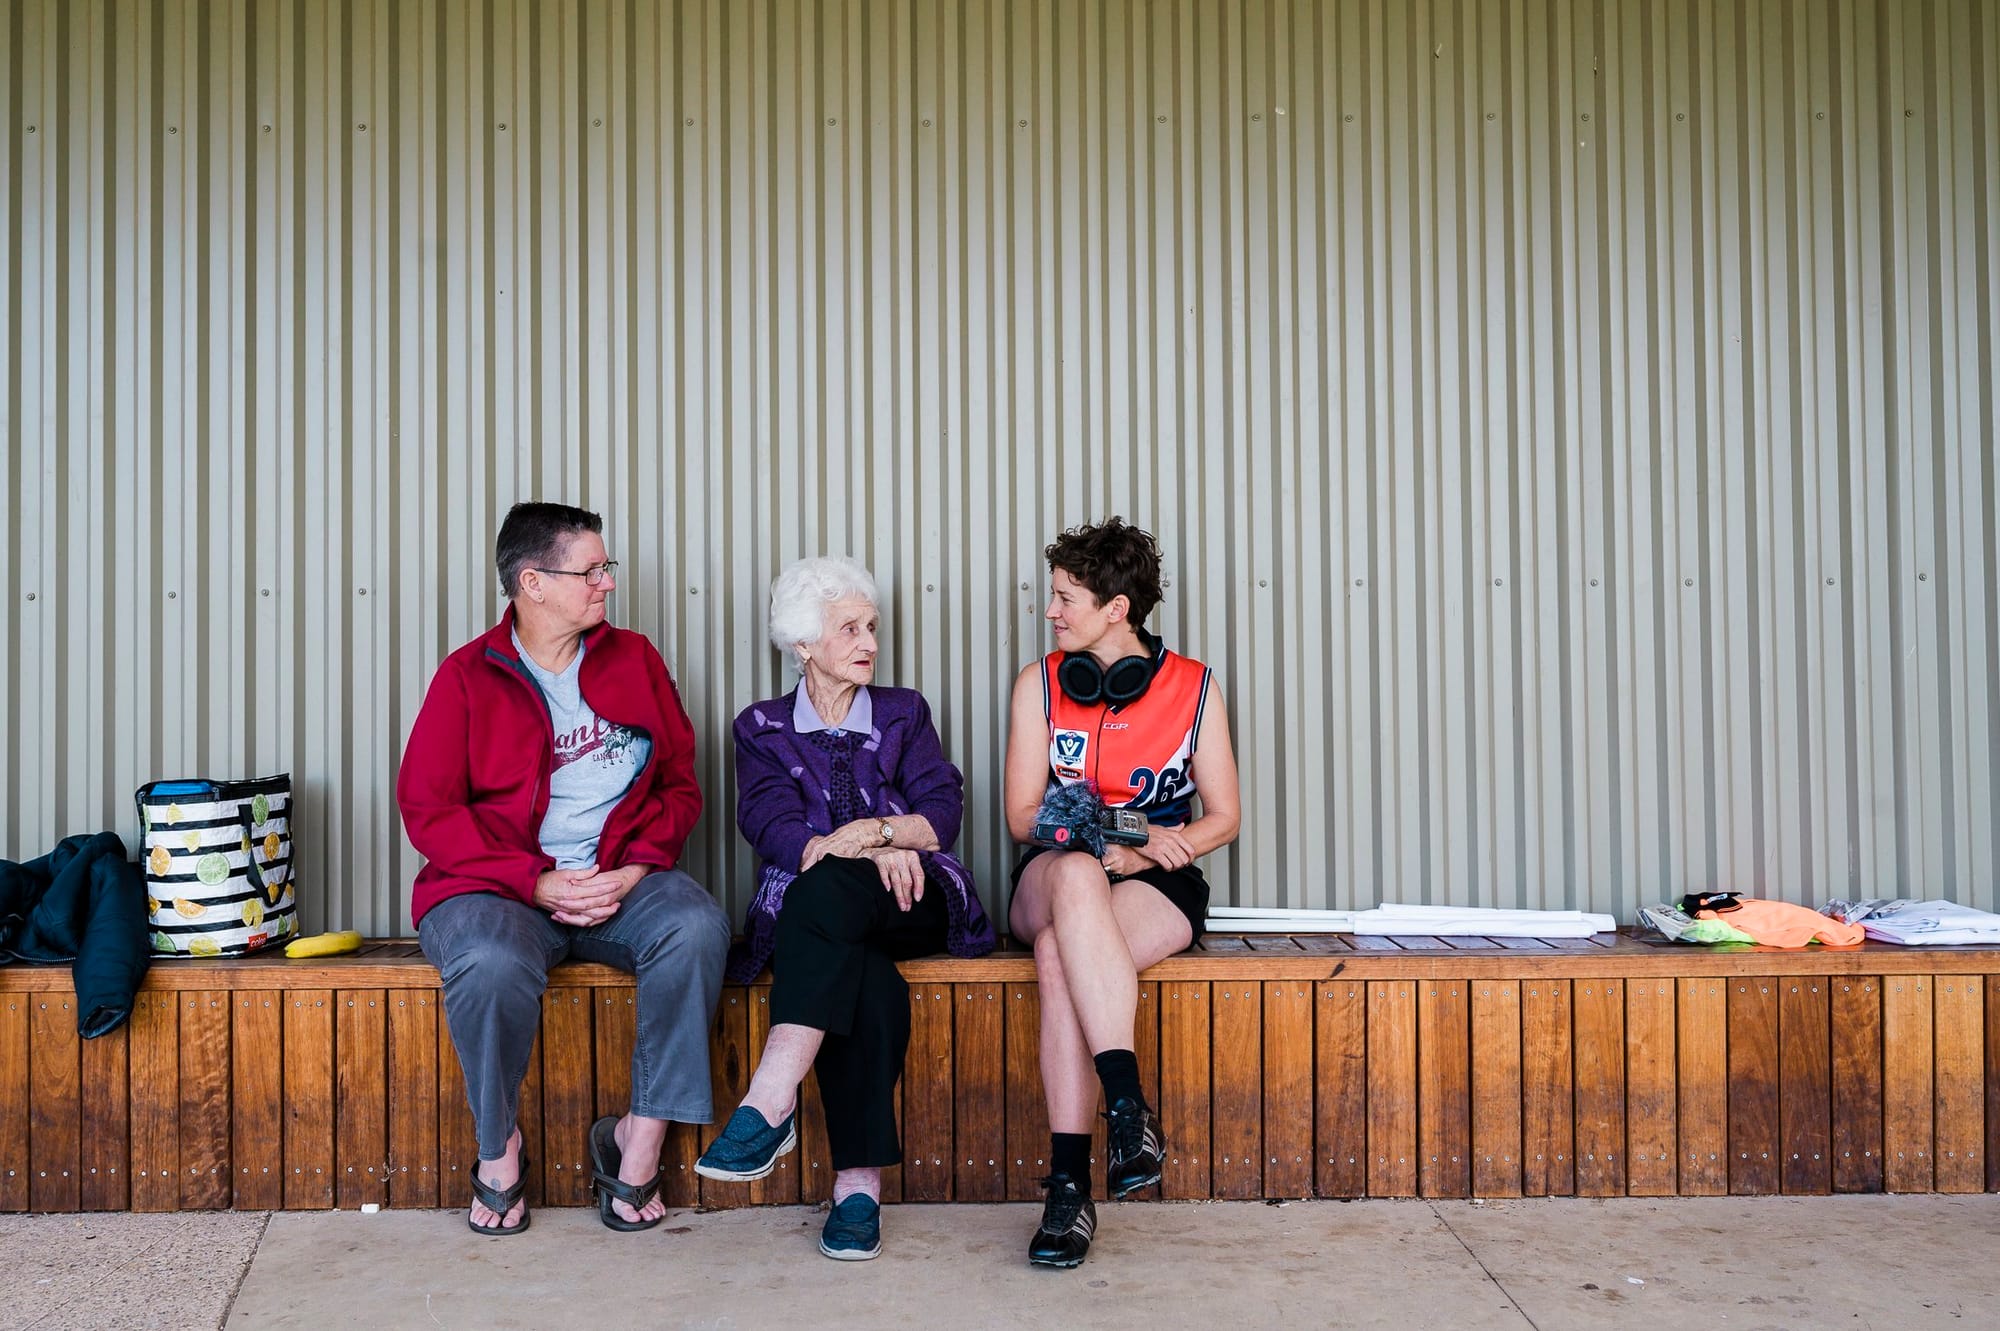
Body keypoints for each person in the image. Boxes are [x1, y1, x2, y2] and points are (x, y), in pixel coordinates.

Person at [398, 501, 730, 1236]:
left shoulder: (634, 658)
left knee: (698, 926)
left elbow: (680, 780)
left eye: (605, 568)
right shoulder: (466, 677)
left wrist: (639, 866)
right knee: (484, 960)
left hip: (620, 880)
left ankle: (638, 1142)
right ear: (533, 582)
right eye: (591, 570)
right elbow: (428, 808)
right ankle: (498, 1149)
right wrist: (533, 880)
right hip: (498, 889)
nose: (606, 583)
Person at [696, 556, 996, 1260]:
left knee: (828, 894)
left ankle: (769, 1101)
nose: (870, 642)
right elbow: (772, 827)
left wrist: (885, 834)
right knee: (860, 968)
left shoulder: (904, 711)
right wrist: (859, 849)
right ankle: (858, 1189)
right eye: (850, 628)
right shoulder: (761, 727)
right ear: (803, 645)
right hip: (826, 912)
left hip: (911, 895)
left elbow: (942, 811)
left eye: (873, 627)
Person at [1002, 517, 1241, 1268]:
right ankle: (1127, 1102)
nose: (1051, 611)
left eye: (1066, 597)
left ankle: (1069, 1188)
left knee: (1056, 957)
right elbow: (1022, 816)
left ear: (1116, 608)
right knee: (1074, 874)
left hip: (1155, 883)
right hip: (1052, 871)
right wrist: (1119, 836)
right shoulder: (1038, 684)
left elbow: (1225, 816)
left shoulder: (1194, 686)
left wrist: (1147, 856)